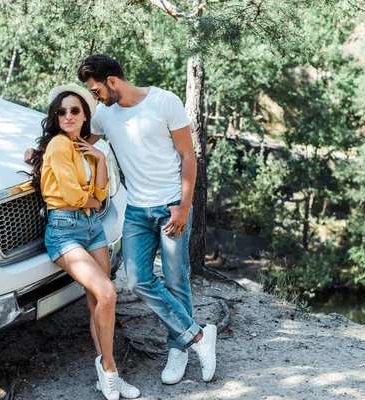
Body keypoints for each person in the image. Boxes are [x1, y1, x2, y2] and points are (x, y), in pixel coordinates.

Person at [77, 54, 217, 384]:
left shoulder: (164, 102)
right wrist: (40, 151)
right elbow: (78, 144)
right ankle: (196, 336)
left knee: (175, 279)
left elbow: (188, 156)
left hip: (171, 205)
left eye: (96, 91)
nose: (95, 98)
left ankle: (178, 348)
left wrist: (184, 206)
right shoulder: (104, 116)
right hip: (137, 211)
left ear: (112, 82)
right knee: (138, 279)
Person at [29, 83, 140, 400]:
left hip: (92, 229)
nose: (67, 115)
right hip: (64, 230)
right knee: (107, 292)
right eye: (61, 111)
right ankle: (109, 372)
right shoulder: (59, 146)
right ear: (55, 116)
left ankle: (108, 370)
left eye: (74, 110)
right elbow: (73, 195)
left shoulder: (85, 148)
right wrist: (88, 200)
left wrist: (101, 160)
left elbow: (101, 193)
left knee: (98, 300)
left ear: (84, 116)